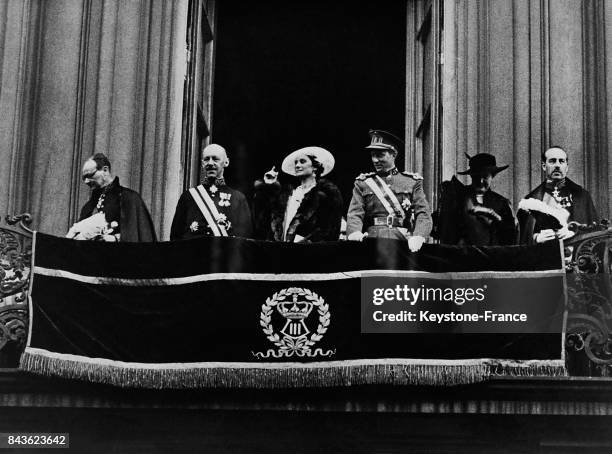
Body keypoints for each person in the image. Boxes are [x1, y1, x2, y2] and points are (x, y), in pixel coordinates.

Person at [346, 130, 432, 252]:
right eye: (373, 155)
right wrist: (355, 233)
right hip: (372, 239)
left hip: (402, 240)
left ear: (394, 154)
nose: (375, 160)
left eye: (380, 155)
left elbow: (423, 213)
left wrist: (419, 236)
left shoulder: (412, 182)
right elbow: (355, 214)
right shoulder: (363, 183)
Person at [253, 146, 343, 242]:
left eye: (302, 161)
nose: (297, 165)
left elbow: (329, 230)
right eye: (296, 162)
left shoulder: (326, 195)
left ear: (315, 167)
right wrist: (268, 185)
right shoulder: (288, 195)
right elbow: (262, 221)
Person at [66, 153, 156, 242]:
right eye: (84, 178)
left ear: (105, 170)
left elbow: (139, 237)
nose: (86, 181)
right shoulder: (89, 205)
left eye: (90, 175)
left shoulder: (129, 198)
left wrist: (115, 239)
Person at [517, 146, 599, 244]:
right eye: (552, 161)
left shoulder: (582, 196)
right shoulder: (530, 199)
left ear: (567, 167)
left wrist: (574, 234)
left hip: (574, 255)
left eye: (561, 161)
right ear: (544, 166)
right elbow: (520, 238)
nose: (557, 165)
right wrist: (536, 238)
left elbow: (595, 232)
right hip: (543, 256)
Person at [170, 144, 252, 240]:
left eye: (215, 159)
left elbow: (245, 239)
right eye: (206, 159)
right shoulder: (188, 196)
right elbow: (175, 238)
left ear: (226, 162)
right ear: (202, 164)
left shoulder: (238, 198)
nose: (210, 163)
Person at [436, 153, 517, 246]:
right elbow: (441, 229)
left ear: (492, 176)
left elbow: (511, 237)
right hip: (461, 256)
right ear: (471, 176)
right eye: (477, 176)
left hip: (490, 257)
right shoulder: (458, 197)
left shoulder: (502, 203)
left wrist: (496, 218)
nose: (481, 181)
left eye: (485, 176)